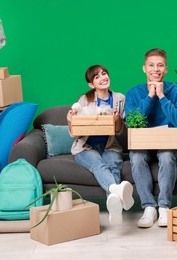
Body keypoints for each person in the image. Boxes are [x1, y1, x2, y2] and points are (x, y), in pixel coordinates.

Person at [125, 49, 177, 228]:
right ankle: (149, 208)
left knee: (167, 156)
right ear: (144, 68)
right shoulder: (134, 92)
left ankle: (164, 207)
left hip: (169, 143)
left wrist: (161, 96)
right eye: (151, 65)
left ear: (166, 69)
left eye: (160, 65)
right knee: (136, 158)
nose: (156, 69)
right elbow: (131, 123)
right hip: (141, 143)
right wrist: (150, 96)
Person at [67, 65, 134, 226]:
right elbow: (76, 133)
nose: (102, 78)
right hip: (85, 147)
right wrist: (70, 122)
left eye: (104, 74)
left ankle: (114, 205)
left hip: (110, 145)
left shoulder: (119, 99)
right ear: (91, 84)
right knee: (99, 166)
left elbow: (121, 132)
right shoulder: (84, 100)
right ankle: (117, 192)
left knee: (114, 165)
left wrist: (117, 120)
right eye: (97, 77)